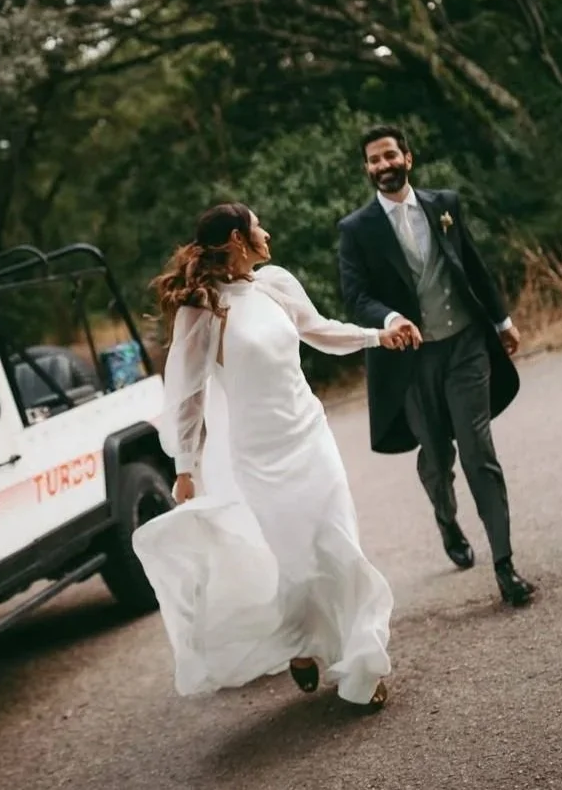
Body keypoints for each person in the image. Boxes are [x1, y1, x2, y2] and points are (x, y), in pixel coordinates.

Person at [132, 202, 405, 707]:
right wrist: (185, 468)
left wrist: (377, 336)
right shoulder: (203, 308)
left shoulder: (275, 283)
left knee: (339, 542)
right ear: (238, 238)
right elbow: (188, 398)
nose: (267, 232)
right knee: (297, 562)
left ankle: (362, 665)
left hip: (310, 435)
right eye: (258, 226)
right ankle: (298, 642)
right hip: (260, 455)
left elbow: (318, 330)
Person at [337, 124, 535, 607]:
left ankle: (505, 565)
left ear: (408, 156)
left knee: (476, 451)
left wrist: (501, 318)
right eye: (373, 160)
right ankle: (446, 518)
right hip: (410, 361)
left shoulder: (445, 204)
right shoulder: (356, 229)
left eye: (390, 155)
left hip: (465, 345)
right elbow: (355, 295)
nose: (383, 165)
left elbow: (471, 263)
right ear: (367, 168)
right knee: (438, 456)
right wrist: (390, 318)